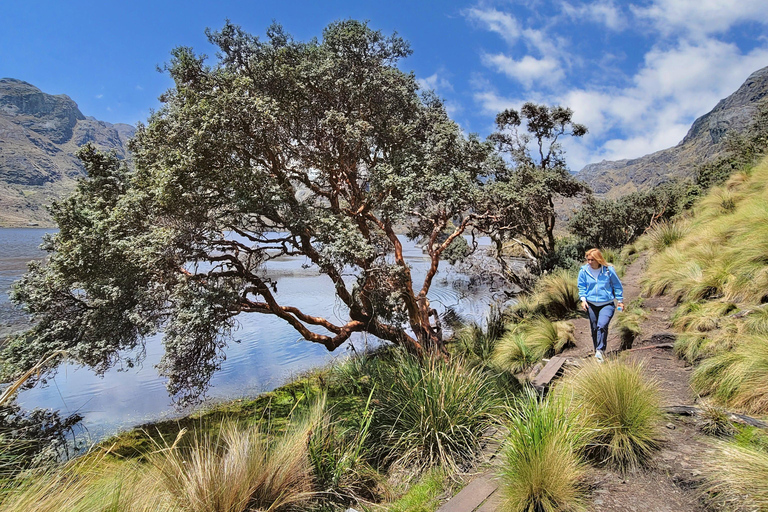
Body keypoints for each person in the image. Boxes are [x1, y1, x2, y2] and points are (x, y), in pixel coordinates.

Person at [577, 248, 624, 362]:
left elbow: (617, 285)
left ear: (598, 259)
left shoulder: (608, 270)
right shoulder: (584, 271)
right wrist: (583, 300)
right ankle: (597, 352)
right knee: (594, 328)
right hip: (591, 304)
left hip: (606, 304)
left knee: (602, 326)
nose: (589, 262)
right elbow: (581, 286)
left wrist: (620, 300)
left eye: (592, 260)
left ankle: (600, 350)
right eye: (588, 259)